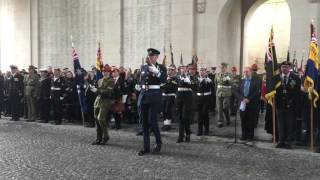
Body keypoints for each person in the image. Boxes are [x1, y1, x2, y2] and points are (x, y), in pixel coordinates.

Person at [137, 48, 167, 156]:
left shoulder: (161, 67)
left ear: (156, 57)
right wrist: (139, 87)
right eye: (149, 56)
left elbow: (164, 79)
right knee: (144, 122)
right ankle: (146, 147)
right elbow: (141, 80)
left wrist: (156, 71)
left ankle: (158, 143)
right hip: (144, 96)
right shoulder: (143, 67)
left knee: (153, 121)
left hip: (154, 97)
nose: (150, 58)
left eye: (152, 56)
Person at [275, 61, 300, 149]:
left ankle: (289, 141)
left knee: (290, 124)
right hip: (279, 105)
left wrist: (293, 102)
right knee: (280, 124)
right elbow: (273, 92)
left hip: (290, 105)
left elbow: (297, 93)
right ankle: (281, 141)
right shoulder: (276, 78)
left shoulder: (295, 78)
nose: (284, 68)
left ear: (289, 68)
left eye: (286, 67)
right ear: (280, 68)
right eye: (282, 67)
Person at [92, 66, 115, 145]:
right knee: (96, 120)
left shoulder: (111, 81)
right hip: (97, 101)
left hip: (105, 101)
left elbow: (108, 92)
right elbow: (98, 90)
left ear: (109, 72)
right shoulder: (100, 80)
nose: (105, 73)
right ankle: (98, 138)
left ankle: (106, 136)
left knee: (101, 119)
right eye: (104, 71)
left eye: (107, 71)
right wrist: (93, 89)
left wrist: (97, 90)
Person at [176, 63, 197, 143]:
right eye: (182, 68)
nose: (183, 70)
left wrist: (189, 82)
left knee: (185, 117)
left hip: (187, 99)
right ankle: (181, 136)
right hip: (179, 98)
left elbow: (195, 87)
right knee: (181, 118)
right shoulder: (177, 77)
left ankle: (187, 133)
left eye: (185, 68)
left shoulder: (191, 77)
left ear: (187, 70)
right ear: (180, 70)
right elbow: (175, 87)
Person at [239, 67, 260, 141]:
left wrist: (249, 99)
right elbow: (238, 91)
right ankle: (243, 135)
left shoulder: (255, 81)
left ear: (250, 72)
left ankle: (250, 136)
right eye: (244, 72)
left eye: (247, 72)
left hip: (251, 103)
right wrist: (242, 98)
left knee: (250, 120)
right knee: (243, 120)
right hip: (243, 103)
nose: (245, 73)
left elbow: (257, 92)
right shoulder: (242, 81)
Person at [196, 66, 213, 136]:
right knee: (199, 115)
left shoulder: (208, 80)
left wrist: (211, 102)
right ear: (199, 71)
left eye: (203, 70)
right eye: (200, 70)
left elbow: (212, 90)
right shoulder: (196, 79)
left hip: (206, 98)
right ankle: (200, 130)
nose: (202, 72)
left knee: (205, 114)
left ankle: (206, 129)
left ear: (205, 72)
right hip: (199, 98)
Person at [161, 64, 178, 131]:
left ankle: (168, 124)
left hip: (170, 96)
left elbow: (169, 86)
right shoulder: (166, 78)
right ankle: (165, 124)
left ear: (174, 71)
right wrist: (164, 85)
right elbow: (162, 85)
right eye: (168, 70)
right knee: (164, 111)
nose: (170, 71)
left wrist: (164, 85)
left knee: (168, 110)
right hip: (164, 96)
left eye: (171, 70)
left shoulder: (175, 79)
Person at [215, 62, 232, 127]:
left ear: (226, 68)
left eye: (224, 67)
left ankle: (227, 118)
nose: (222, 69)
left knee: (225, 107)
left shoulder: (229, 75)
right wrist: (216, 92)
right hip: (219, 93)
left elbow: (232, 83)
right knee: (219, 108)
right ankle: (220, 121)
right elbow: (216, 84)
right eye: (221, 67)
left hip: (226, 94)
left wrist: (228, 80)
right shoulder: (217, 75)